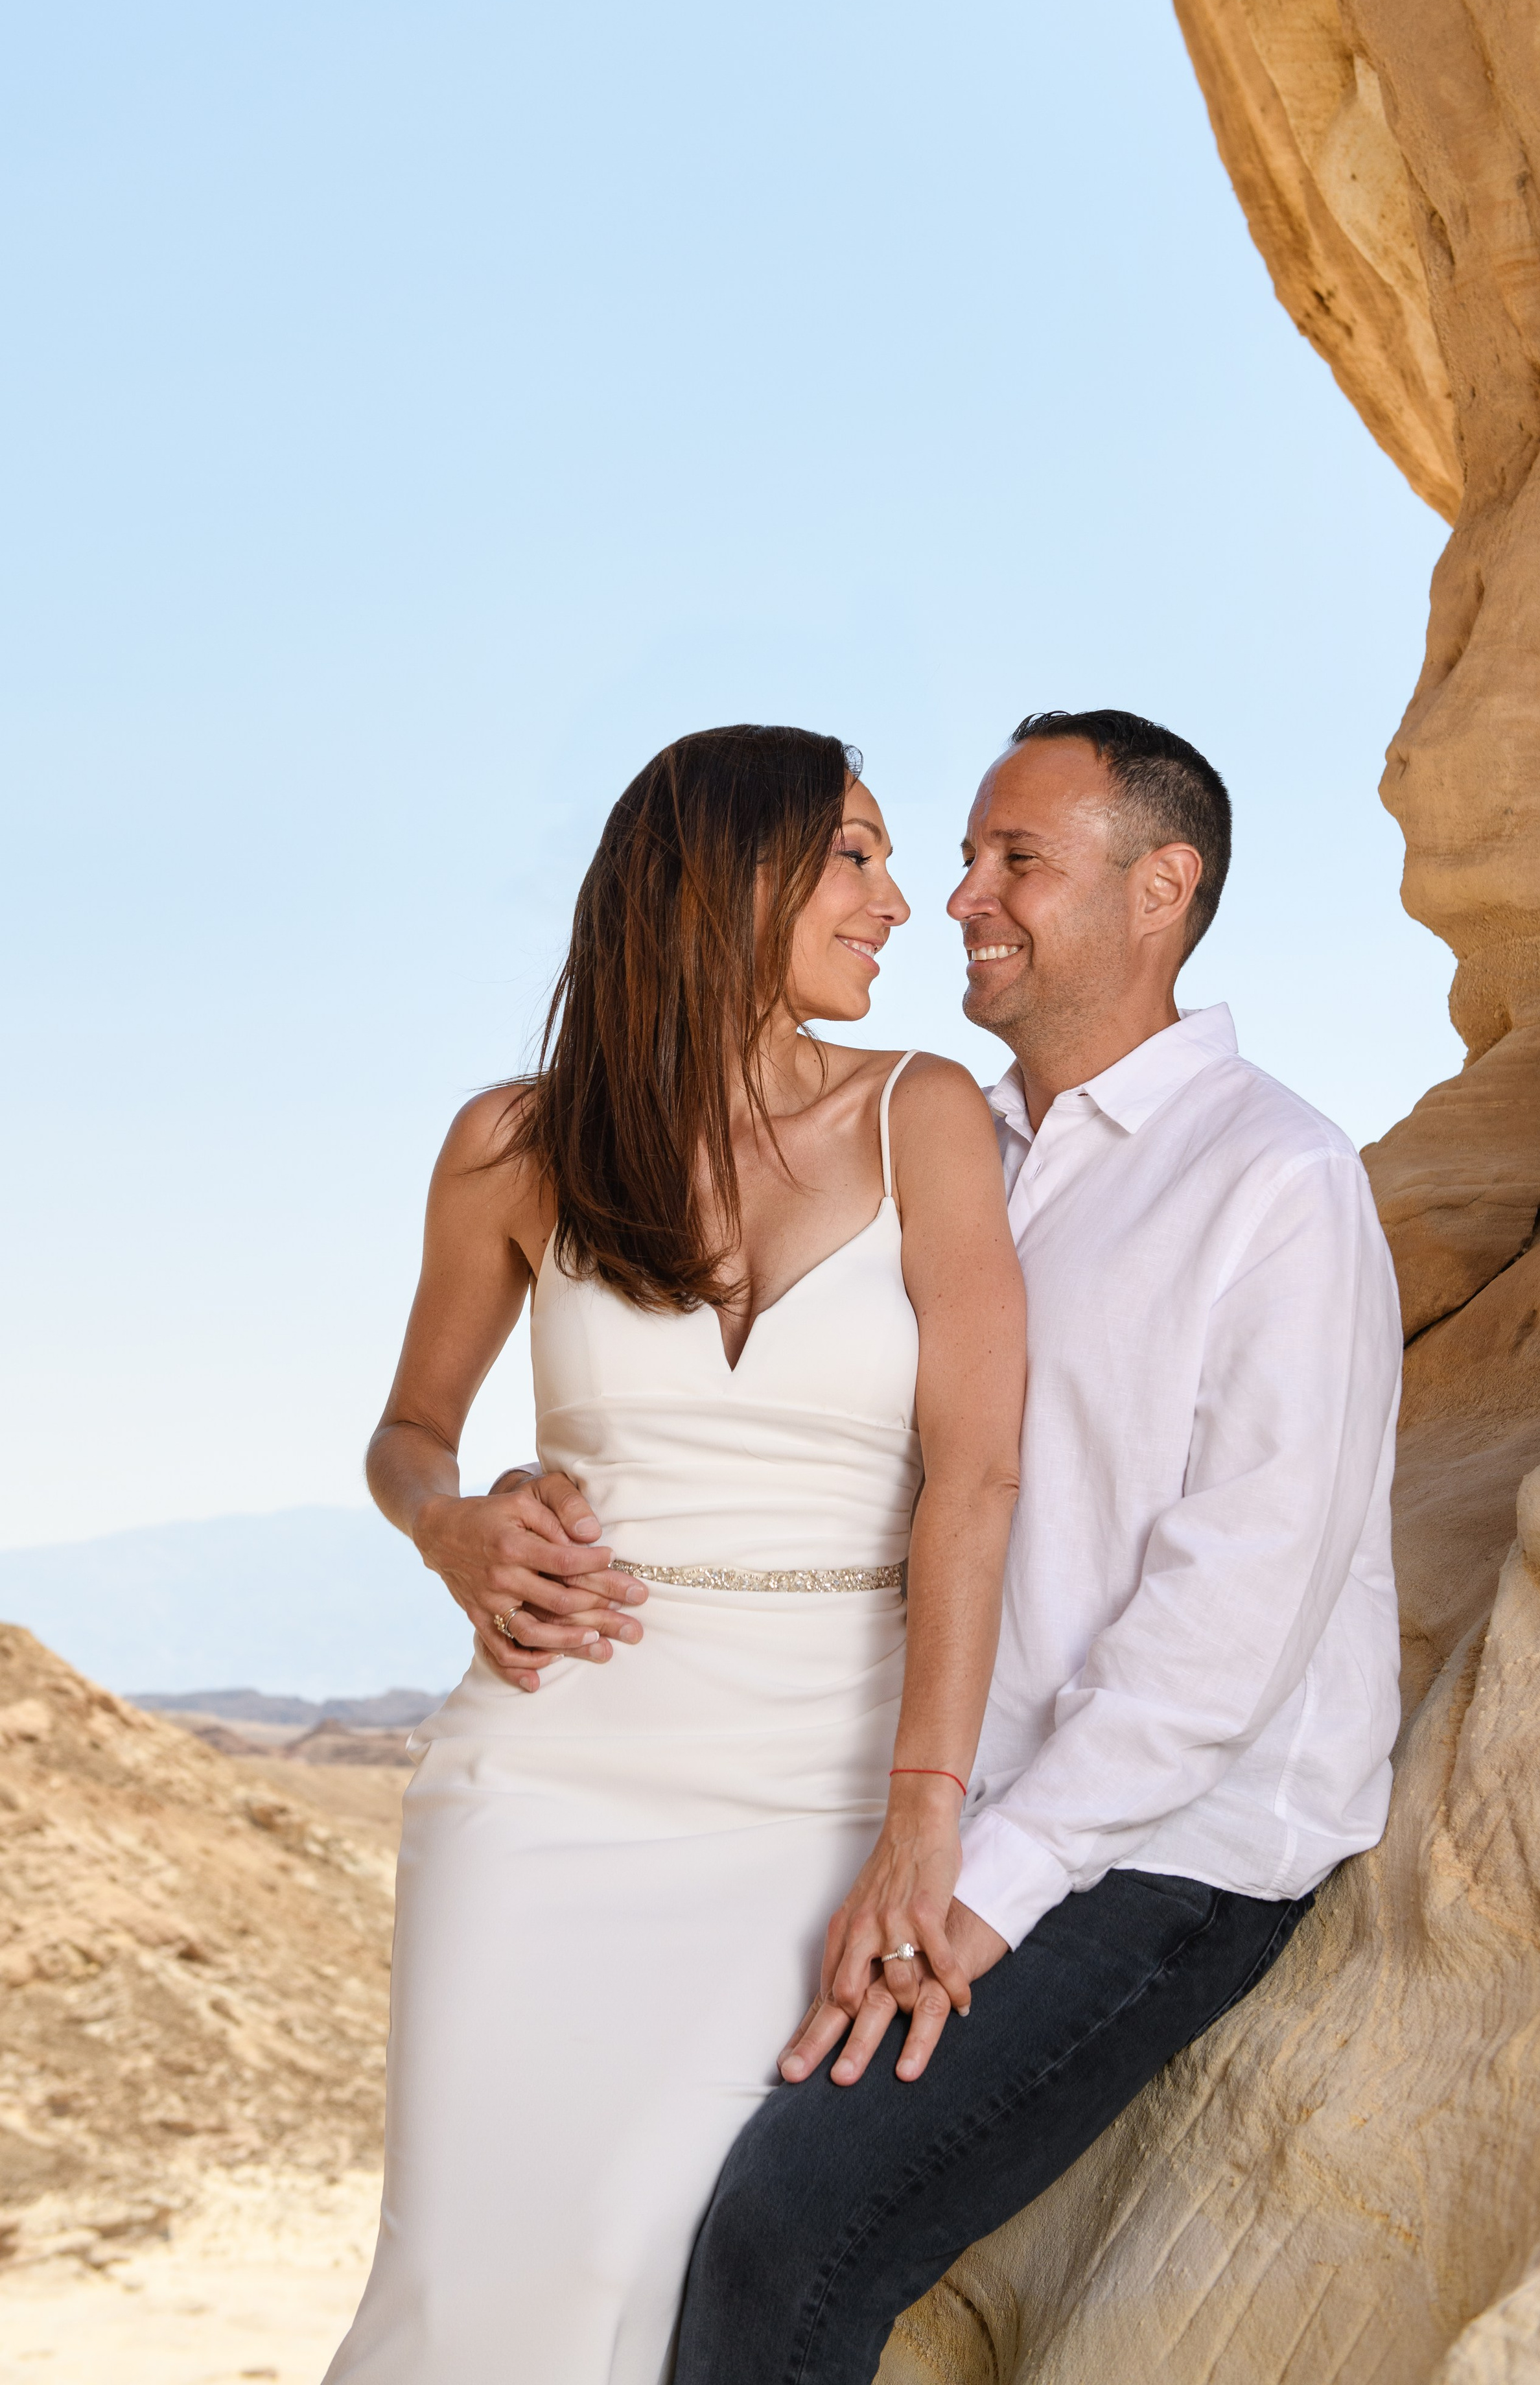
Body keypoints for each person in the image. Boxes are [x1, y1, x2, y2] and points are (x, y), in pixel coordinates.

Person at [530, 708, 1403, 2385]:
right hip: (932, 1801)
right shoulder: (950, 1149)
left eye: (1020, 861)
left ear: (1164, 889)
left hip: (1163, 1850)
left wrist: (981, 1888)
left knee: (791, 2229)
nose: (959, 898)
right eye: (964, 855)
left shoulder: (1275, 1178)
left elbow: (1244, 1603)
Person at [323, 724, 1025, 2385]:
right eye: (853, 855)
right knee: (476, 2278)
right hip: (548, 1773)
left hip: (818, 1787)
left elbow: (977, 1475)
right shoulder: (514, 1140)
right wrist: (454, 1526)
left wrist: (921, 1812)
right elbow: (405, 1435)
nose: (901, 899)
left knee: (656, 2259)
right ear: (728, 877)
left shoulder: (923, 1114)